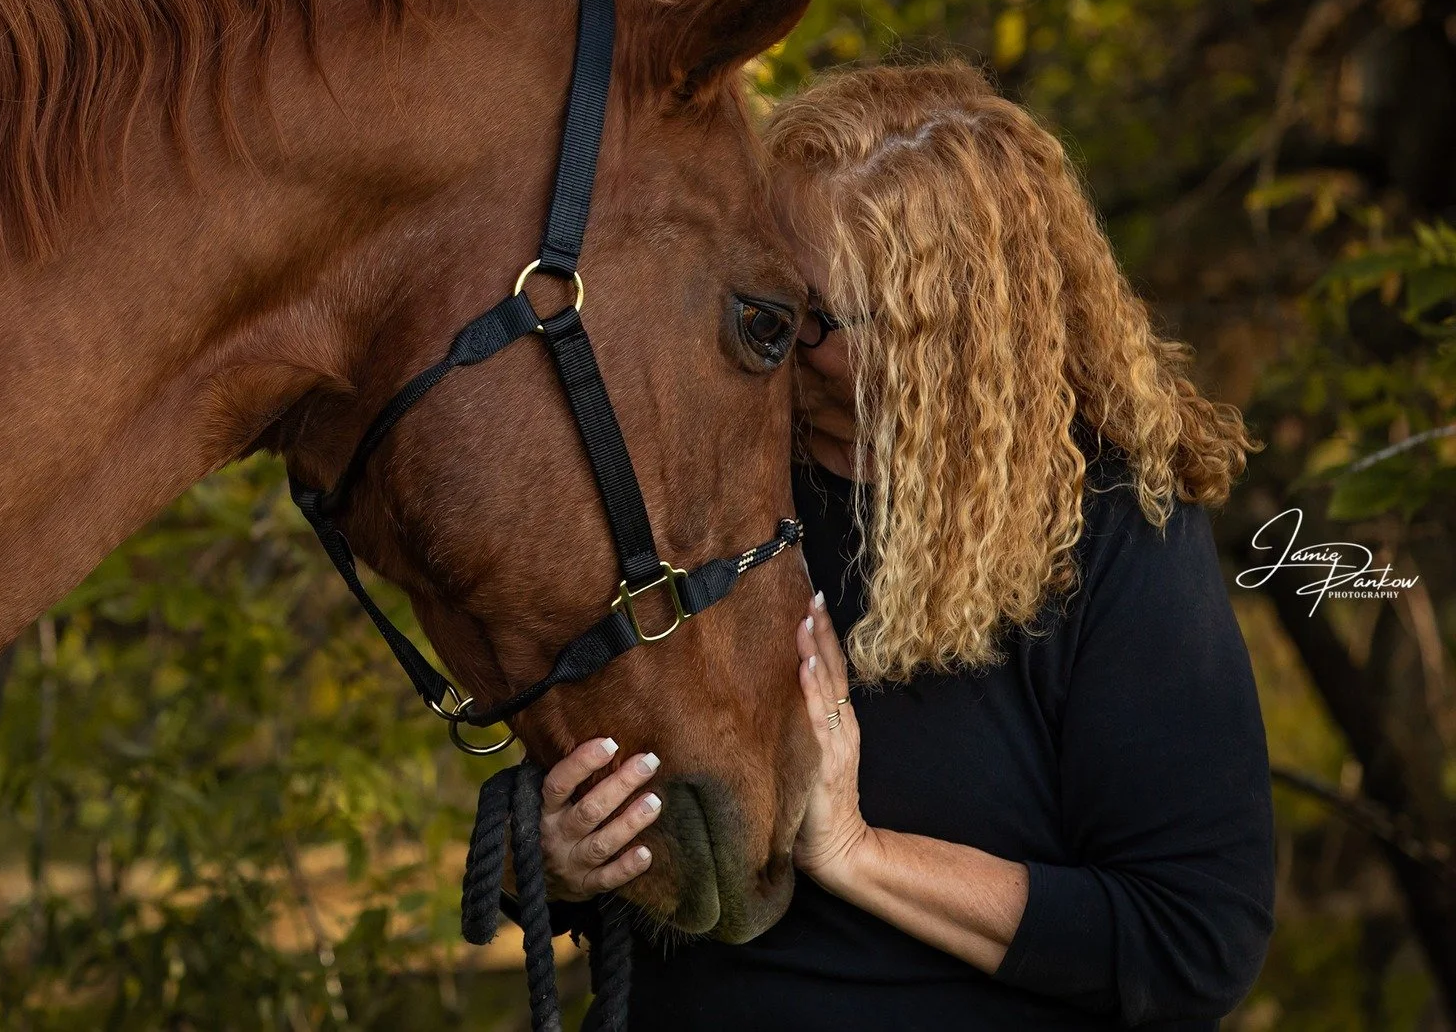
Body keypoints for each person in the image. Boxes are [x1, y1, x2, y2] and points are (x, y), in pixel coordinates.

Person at [536, 62, 1275, 1029]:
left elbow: (1193, 940)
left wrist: (859, 854)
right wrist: (554, 857)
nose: (772, 332)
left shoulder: (1107, 530)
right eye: (759, 290)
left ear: (945, 336)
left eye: (813, 315)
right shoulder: (688, 474)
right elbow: (573, 764)